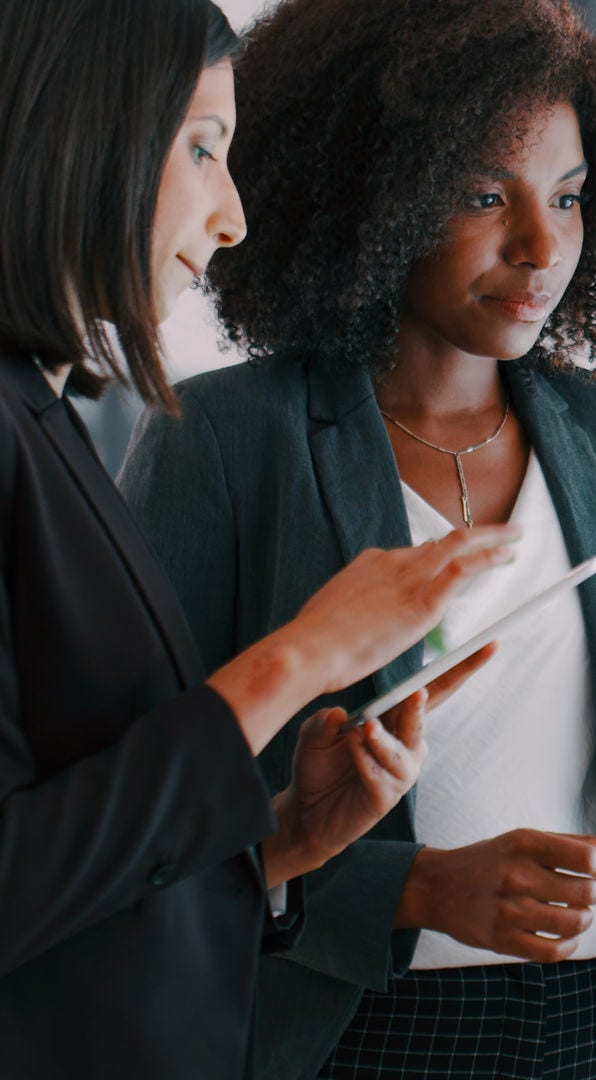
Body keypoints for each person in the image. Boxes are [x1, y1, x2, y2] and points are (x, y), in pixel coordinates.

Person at [119, 0, 596, 1076]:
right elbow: (143, 814)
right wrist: (416, 888)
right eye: (485, 195)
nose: (541, 246)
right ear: (371, 194)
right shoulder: (225, 437)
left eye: (567, 197)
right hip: (358, 1033)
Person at [0, 1, 527, 1075]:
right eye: (203, 149)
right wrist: (299, 660)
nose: (233, 217)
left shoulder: (46, 421)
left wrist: (284, 838)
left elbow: (81, 868)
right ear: (79, 135)